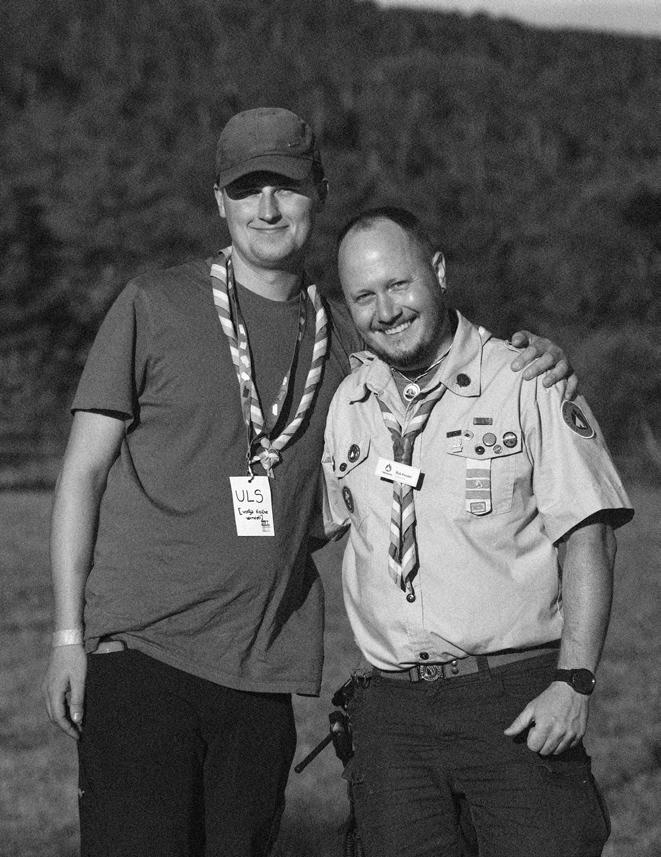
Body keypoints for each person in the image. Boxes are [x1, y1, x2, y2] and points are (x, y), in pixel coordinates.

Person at [42, 108, 576, 857]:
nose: (267, 208)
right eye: (246, 189)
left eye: (286, 187)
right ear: (219, 201)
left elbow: (441, 352)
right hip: (140, 656)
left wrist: (534, 358)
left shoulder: (348, 337)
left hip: (264, 673)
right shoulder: (153, 304)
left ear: (317, 192)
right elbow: (82, 473)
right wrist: (69, 637)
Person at [322, 207, 634, 857]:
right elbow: (306, 530)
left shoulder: (526, 381)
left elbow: (588, 534)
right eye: (364, 296)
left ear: (437, 271)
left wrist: (574, 682)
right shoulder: (349, 404)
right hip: (392, 717)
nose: (386, 310)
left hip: (513, 699)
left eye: (399, 284)